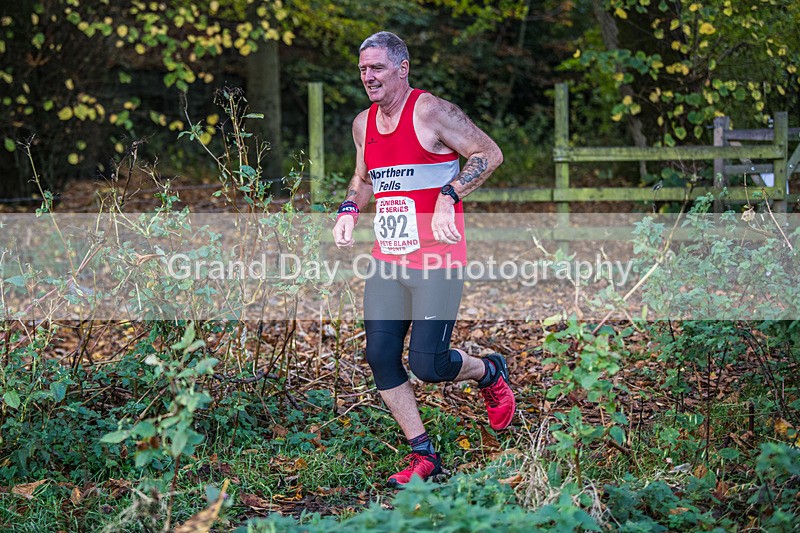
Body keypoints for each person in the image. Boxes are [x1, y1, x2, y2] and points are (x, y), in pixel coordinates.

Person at [332, 31, 515, 487]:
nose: (368, 76)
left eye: (376, 68)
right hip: (388, 260)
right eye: (362, 69)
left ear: (402, 68)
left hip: (437, 259)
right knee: (379, 355)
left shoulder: (431, 112)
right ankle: (424, 454)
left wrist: (449, 195)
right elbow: (363, 175)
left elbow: (489, 153)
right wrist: (349, 210)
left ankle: (488, 371)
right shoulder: (363, 123)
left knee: (429, 366)